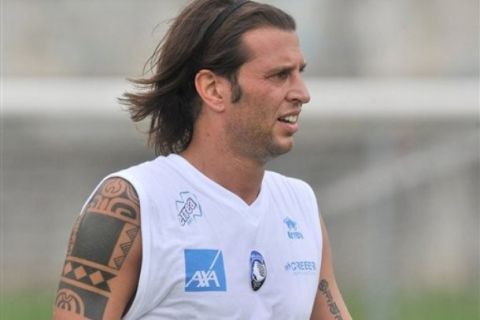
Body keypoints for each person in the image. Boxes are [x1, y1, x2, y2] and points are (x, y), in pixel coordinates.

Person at [53, 0, 352, 319]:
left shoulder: (299, 205)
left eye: (299, 73)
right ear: (213, 89)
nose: (302, 93)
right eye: (279, 76)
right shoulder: (130, 206)